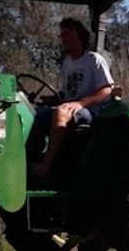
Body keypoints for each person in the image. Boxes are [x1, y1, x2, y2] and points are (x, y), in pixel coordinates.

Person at [31, 17, 114, 178]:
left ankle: (45, 167)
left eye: (68, 36)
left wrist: (81, 103)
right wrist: (45, 99)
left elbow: (107, 90)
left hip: (91, 111)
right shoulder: (67, 63)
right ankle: (30, 158)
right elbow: (64, 94)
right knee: (35, 113)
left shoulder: (94, 60)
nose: (64, 40)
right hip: (70, 107)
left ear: (80, 38)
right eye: (62, 36)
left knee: (61, 113)